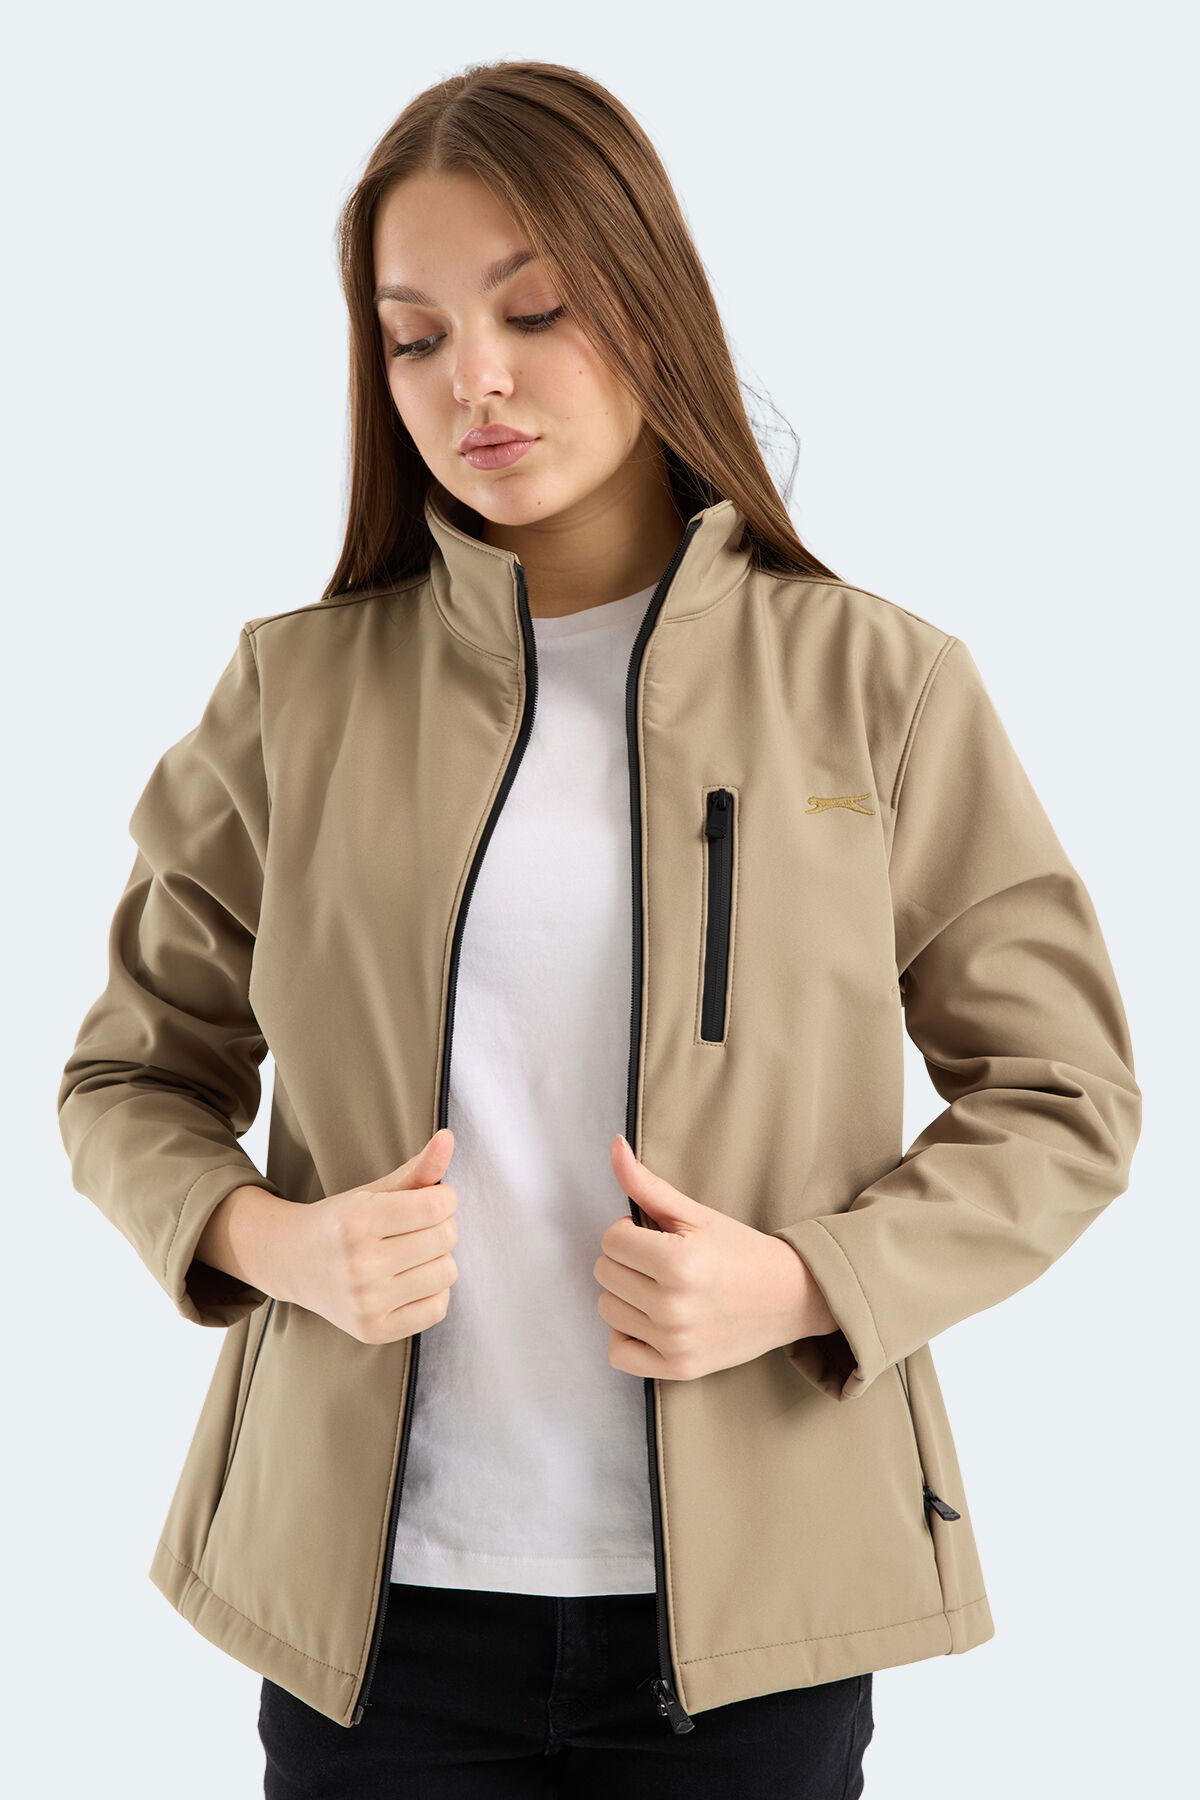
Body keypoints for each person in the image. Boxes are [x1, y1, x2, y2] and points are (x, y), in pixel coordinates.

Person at [56, 59, 1142, 1800]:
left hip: (757, 1627)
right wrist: (277, 1244)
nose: (471, 379)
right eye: (413, 338)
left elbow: (1067, 1098)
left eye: (535, 310)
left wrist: (808, 1282)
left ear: (646, 300)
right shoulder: (293, 696)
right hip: (371, 1631)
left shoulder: (877, 684)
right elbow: (127, 1078)